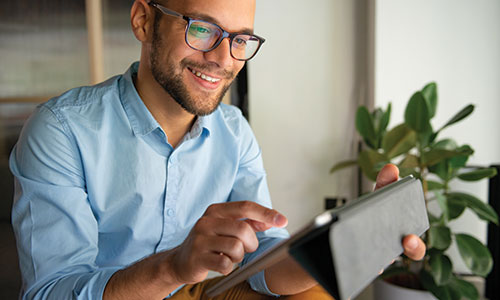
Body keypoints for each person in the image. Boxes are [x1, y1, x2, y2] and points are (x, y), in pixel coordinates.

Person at [9, 0, 426, 299]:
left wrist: (348, 249)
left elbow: (263, 264)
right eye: (202, 28)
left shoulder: (234, 130)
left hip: (207, 289)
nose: (223, 59)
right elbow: (51, 292)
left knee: (316, 290)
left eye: (240, 39)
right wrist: (174, 266)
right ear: (143, 20)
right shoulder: (61, 130)